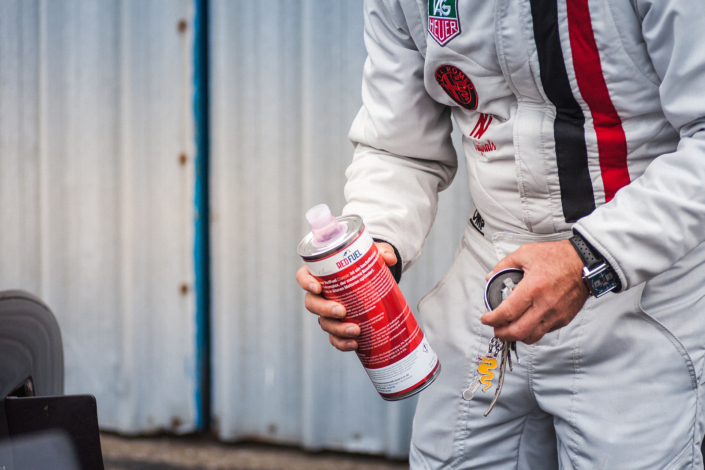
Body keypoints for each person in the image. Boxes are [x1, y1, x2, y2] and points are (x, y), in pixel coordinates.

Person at [296, 0, 705, 468]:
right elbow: (397, 144)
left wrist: (588, 258)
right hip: (489, 270)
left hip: (638, 271)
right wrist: (376, 249)